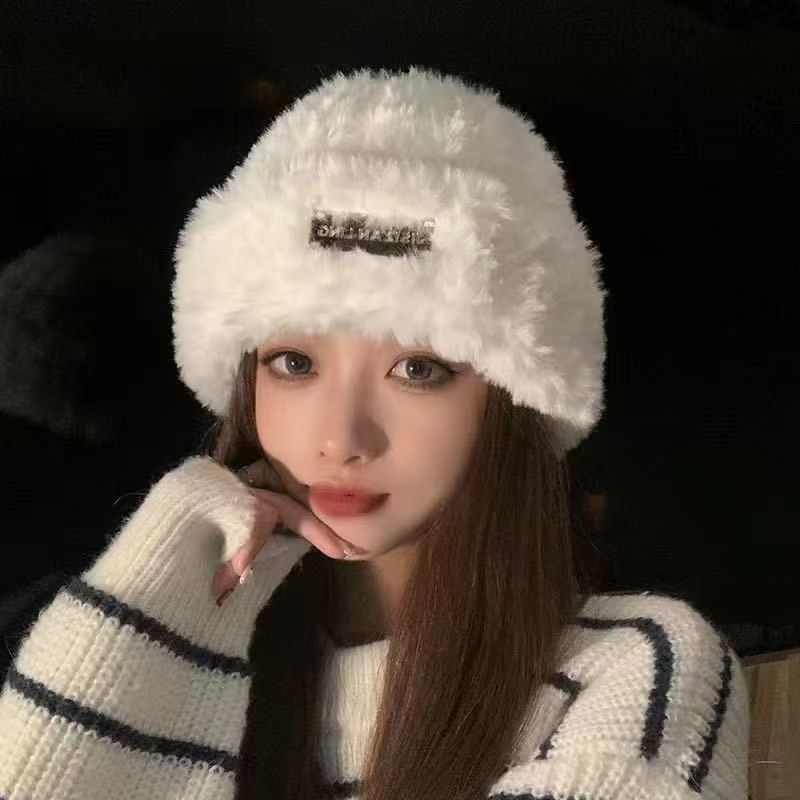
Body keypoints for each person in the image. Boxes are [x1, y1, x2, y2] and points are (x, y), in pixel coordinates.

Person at [0, 66, 750, 800]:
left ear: (514, 402)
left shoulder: (634, 665)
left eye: (418, 369)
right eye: (295, 363)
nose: (341, 437)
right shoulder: (150, 645)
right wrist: (155, 591)